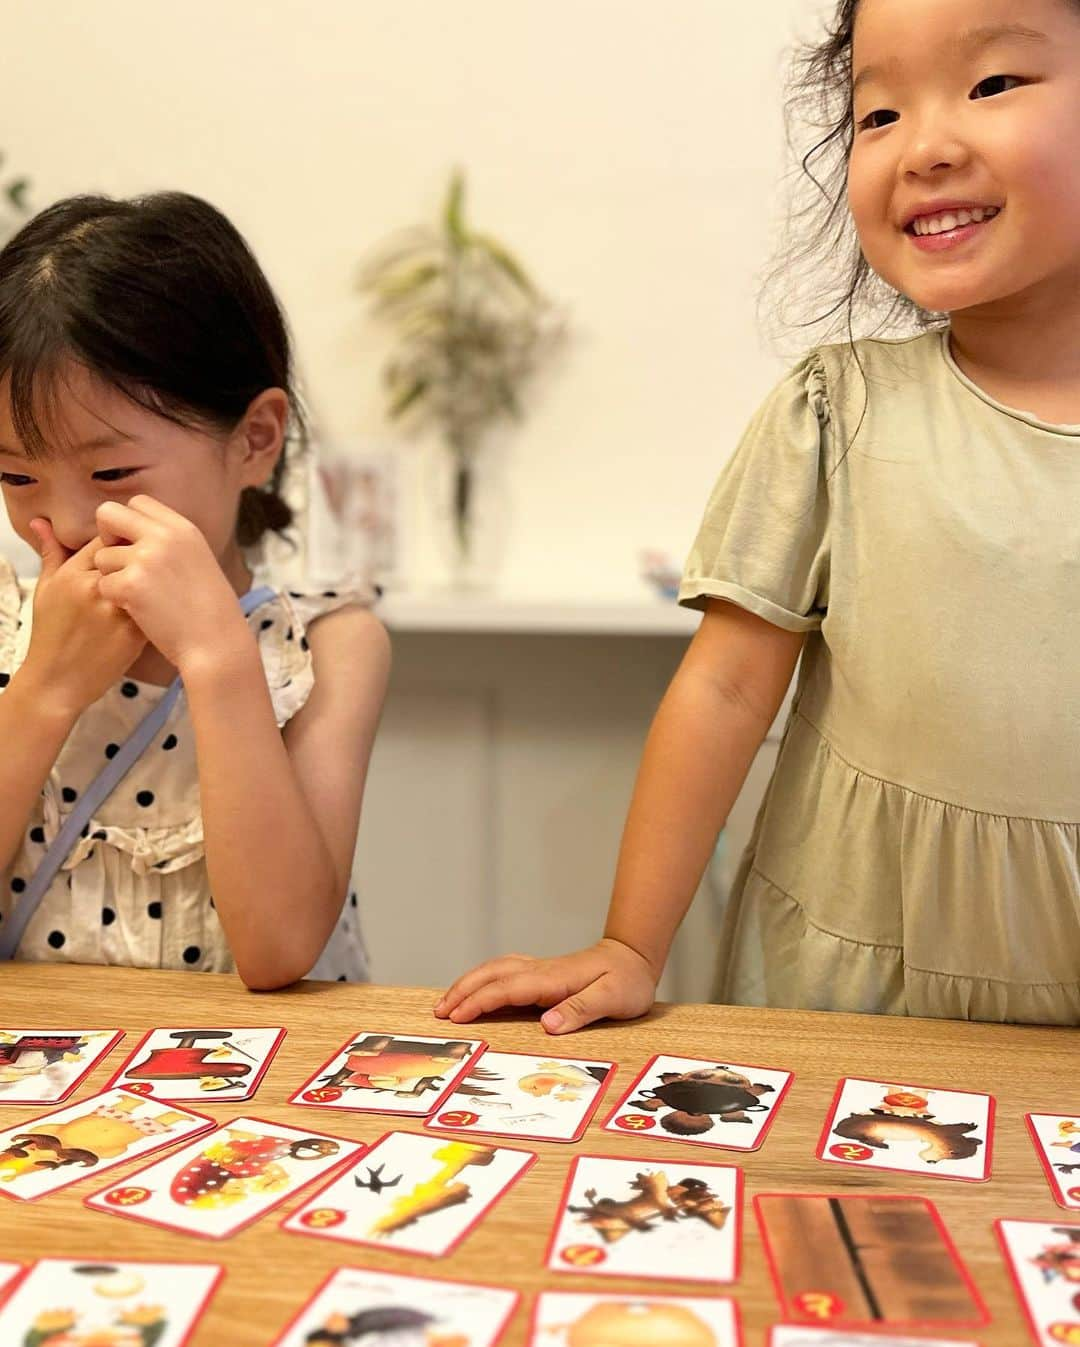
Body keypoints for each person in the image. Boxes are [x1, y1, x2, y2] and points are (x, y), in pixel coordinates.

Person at [436, 0, 1080, 1031]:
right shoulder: (838, 411)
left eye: (993, 84)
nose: (923, 147)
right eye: (878, 114)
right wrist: (629, 944)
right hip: (848, 988)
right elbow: (727, 689)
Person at [0, 192, 390, 988]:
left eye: (112, 472)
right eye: (14, 475)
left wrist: (216, 658)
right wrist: (43, 689)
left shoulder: (328, 644)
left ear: (253, 442)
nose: (68, 522)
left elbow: (279, 948)